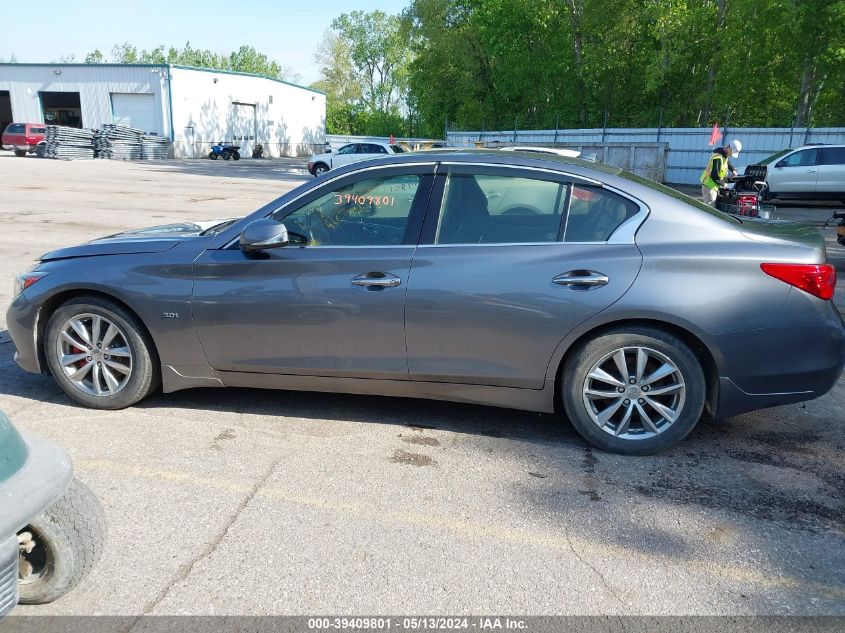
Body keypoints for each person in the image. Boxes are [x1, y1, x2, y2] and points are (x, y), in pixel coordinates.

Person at [700, 139, 742, 206]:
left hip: (713, 185)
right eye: (732, 152)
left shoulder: (724, 154)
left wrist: (733, 170)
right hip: (709, 186)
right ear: (729, 149)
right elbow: (714, 175)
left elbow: (727, 162)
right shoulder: (718, 157)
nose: (732, 155)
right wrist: (723, 184)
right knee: (710, 209)